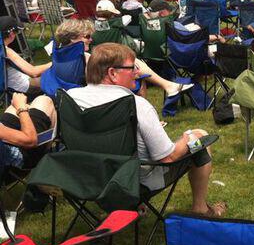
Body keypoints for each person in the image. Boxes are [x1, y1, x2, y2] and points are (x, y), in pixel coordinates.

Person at [68, 43, 225, 217]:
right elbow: (168, 157)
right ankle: (201, 209)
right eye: (132, 68)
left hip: (89, 178)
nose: (137, 72)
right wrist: (189, 138)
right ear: (113, 73)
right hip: (135, 182)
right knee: (200, 138)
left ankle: (132, 208)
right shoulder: (136, 105)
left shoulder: (70, 98)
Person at [0, 89, 56, 170]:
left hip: (4, 142)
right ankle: (47, 155)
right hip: (15, 161)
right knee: (44, 101)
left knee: (14, 108)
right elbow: (31, 140)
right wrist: (21, 108)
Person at [1, 16, 49, 93]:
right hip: (21, 87)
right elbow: (34, 72)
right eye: (17, 32)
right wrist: (54, 63)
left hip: (8, 85)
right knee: (55, 77)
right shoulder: (6, 51)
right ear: (11, 34)